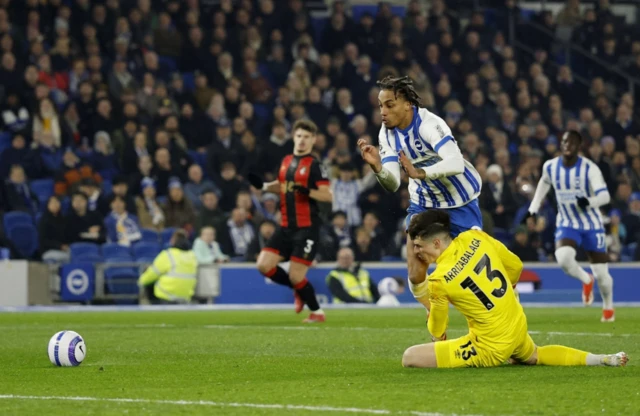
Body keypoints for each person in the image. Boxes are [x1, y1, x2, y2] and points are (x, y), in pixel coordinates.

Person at [401, 210, 628, 369]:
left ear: (437, 243)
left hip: (489, 346)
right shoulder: (475, 237)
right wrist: (508, 294)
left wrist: (434, 328)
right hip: (516, 326)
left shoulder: (438, 279)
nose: (418, 252)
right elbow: (516, 266)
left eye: (420, 246)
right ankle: (600, 359)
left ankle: (500, 351)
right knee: (534, 355)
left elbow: (439, 328)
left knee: (409, 357)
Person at [357, 76, 482, 312]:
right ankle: (436, 321)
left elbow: (455, 162)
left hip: (459, 200)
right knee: (415, 273)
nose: (383, 112)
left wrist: (420, 172)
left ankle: (508, 299)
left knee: (475, 272)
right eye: (380, 105)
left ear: (407, 104)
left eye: (389, 105)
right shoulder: (387, 133)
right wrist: (378, 168)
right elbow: (393, 184)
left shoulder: (430, 124)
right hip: (424, 203)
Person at [524, 130, 615, 322]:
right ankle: (585, 279)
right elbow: (543, 186)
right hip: (567, 222)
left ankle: (608, 306)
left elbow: (605, 196)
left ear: (578, 147)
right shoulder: (550, 166)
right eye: (564, 142)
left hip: (591, 224)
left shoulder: (589, 169)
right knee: (563, 258)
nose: (567, 146)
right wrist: (532, 209)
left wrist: (589, 202)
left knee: (602, 274)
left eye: (572, 143)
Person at [248, 120, 332, 323]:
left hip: (307, 228)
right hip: (286, 226)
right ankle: (299, 290)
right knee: (263, 265)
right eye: (299, 136)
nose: (302, 140)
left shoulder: (315, 166)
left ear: (313, 140)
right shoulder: (286, 160)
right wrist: (265, 186)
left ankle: (317, 313)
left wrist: (308, 191)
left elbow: (327, 196)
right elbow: (283, 185)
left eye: (306, 137)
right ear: (293, 137)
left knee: (296, 276)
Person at [138, 229, 198, 304]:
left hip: (166, 296)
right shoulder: (192, 256)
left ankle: (150, 308)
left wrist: (141, 281)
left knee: (147, 272)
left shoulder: (168, 254)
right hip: (185, 296)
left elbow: (151, 275)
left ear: (173, 241)